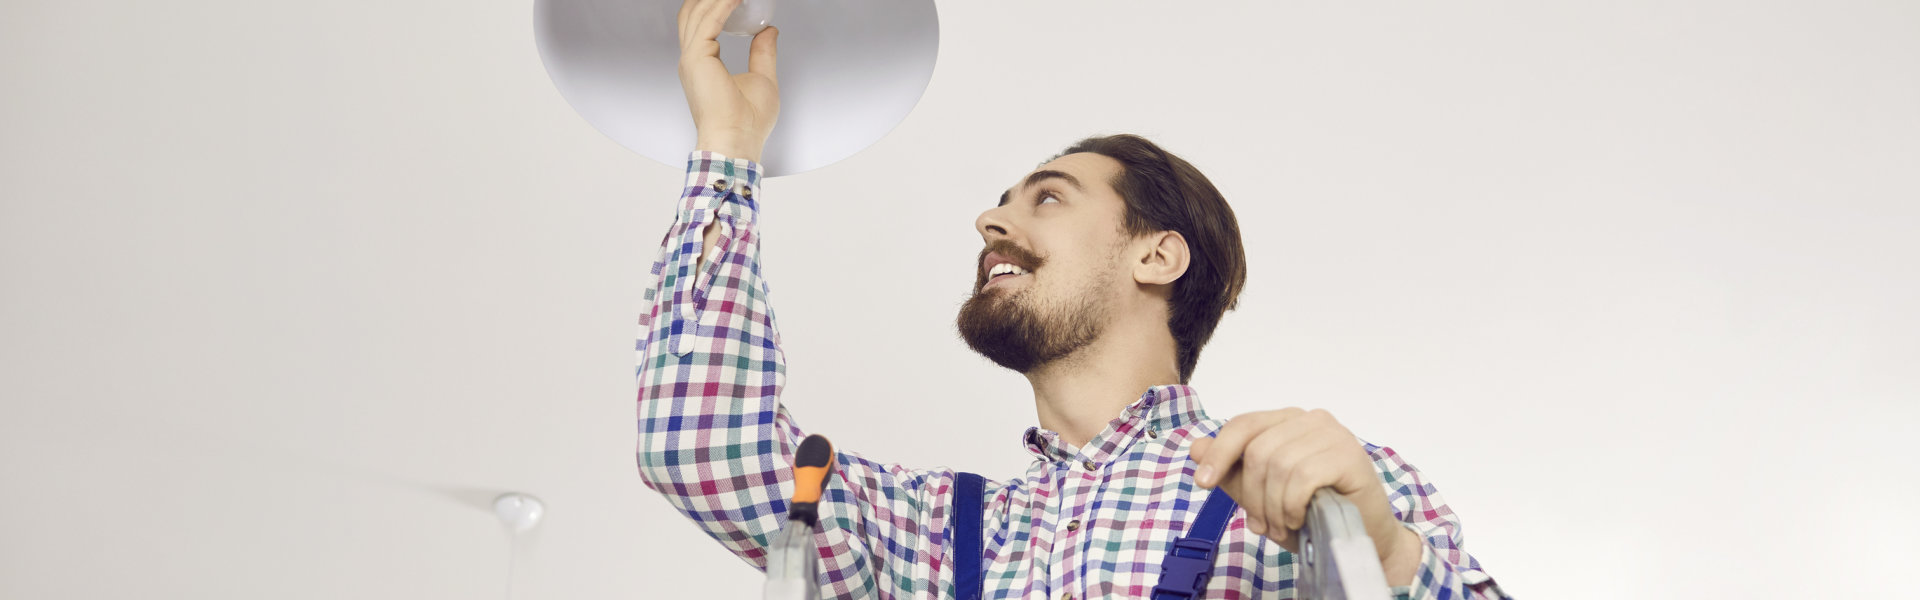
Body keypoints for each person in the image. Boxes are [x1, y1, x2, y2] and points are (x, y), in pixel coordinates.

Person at [636, 0, 1511, 597]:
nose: (990, 221)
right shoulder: (935, 534)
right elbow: (697, 446)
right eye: (1002, 203)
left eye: (1046, 197)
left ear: (1157, 254)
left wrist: (1387, 554)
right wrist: (728, 147)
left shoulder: (1323, 483)